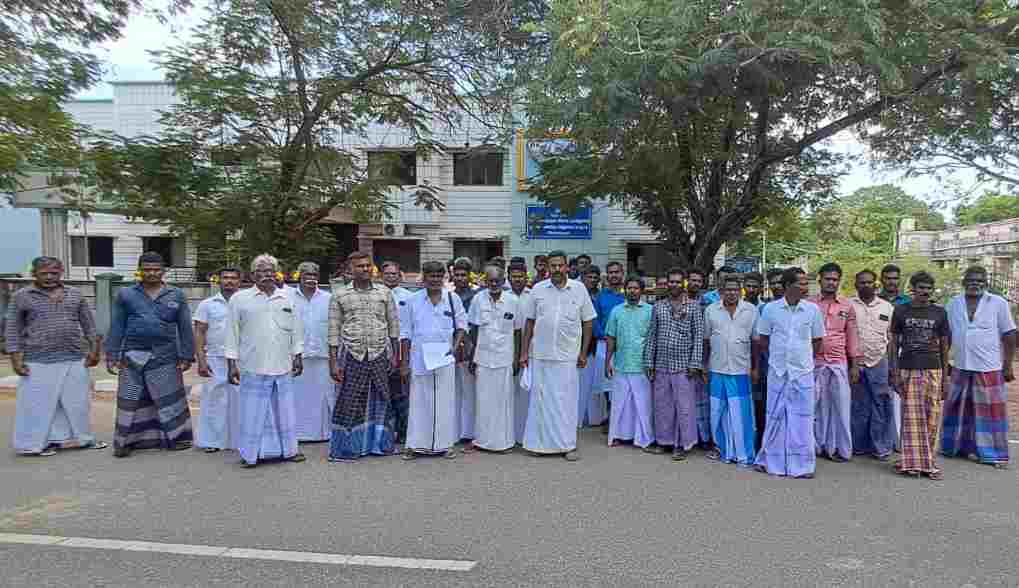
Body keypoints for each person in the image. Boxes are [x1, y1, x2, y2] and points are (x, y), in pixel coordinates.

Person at [6, 256, 104, 457]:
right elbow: (12, 330)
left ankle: (79, 439)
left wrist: (94, 351)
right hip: (37, 359)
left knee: (77, 403)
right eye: (44, 273)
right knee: (37, 405)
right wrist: (15, 359)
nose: (50, 277)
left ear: (61, 273)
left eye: (54, 273)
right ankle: (32, 444)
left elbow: (89, 326)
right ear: (34, 274)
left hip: (74, 357)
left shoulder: (75, 294)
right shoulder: (21, 296)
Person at [105, 252, 195, 458]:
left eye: (156, 270)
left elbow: (184, 327)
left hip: (166, 356)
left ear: (163, 271)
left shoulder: (176, 294)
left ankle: (176, 438)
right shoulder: (125, 294)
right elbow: (117, 326)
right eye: (147, 270)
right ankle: (126, 442)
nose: (152, 273)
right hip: (132, 357)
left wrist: (186, 355)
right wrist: (112, 355)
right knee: (131, 399)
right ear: (139, 271)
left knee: (169, 400)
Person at [225, 253, 306, 468]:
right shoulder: (239, 299)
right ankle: (250, 454)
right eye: (261, 272)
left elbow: (297, 330)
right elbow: (231, 333)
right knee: (252, 412)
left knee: (285, 410)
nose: (267, 275)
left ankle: (289, 451)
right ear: (252, 275)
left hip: (282, 364)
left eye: (270, 271)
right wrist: (231, 364)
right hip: (252, 364)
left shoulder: (288, 298)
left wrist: (298, 356)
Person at [519, 250, 596, 461]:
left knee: (566, 402)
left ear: (567, 267)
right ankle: (539, 445)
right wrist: (524, 351)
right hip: (541, 355)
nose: (556, 269)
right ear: (548, 267)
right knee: (540, 403)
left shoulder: (579, 289)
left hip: (568, 357)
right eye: (553, 266)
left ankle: (567, 445)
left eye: (560, 265)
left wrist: (583, 352)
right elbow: (530, 322)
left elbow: (588, 321)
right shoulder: (538, 289)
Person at [328, 251, 401, 461]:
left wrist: (395, 355)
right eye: (360, 266)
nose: (365, 269)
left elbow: (394, 326)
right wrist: (333, 362)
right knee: (350, 400)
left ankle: (379, 445)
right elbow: (333, 331)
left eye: (368, 266)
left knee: (382, 399)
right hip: (353, 353)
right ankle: (347, 448)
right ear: (350, 270)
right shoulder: (340, 295)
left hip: (379, 352)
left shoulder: (384, 292)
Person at [942, 266, 1016, 469]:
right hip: (961, 366)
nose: (975, 284)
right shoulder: (953, 303)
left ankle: (994, 454)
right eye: (971, 280)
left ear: (986, 283)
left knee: (990, 413)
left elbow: (1009, 335)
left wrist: (1007, 365)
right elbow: (946, 335)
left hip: (989, 367)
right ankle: (956, 447)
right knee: (957, 410)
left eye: (980, 281)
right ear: (964, 282)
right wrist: (945, 361)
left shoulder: (998, 303)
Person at [754, 267, 825, 479]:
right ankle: (771, 461)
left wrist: (801, 360)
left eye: (806, 283)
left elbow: (817, 341)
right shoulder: (770, 309)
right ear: (787, 286)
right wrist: (781, 358)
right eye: (801, 283)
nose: (805, 287)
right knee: (775, 416)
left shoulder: (812, 310)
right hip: (778, 371)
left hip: (802, 372)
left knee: (802, 419)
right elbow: (763, 340)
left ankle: (802, 466)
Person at [400, 261, 467, 460]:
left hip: (445, 358)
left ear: (444, 278)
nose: (435, 280)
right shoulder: (413, 301)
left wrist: (454, 349)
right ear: (424, 277)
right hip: (419, 357)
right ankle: (414, 445)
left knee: (445, 401)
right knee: (419, 401)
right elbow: (405, 333)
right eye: (431, 275)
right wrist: (404, 363)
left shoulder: (452, 299)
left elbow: (462, 327)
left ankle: (444, 445)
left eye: (439, 276)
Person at [890, 272, 950, 479]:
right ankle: (912, 463)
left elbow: (944, 346)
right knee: (911, 418)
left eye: (928, 288)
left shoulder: (940, 313)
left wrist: (946, 378)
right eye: (921, 287)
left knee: (932, 417)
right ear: (912, 289)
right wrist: (894, 371)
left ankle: (928, 462)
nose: (925, 292)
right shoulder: (900, 311)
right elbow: (894, 344)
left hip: (934, 369)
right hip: (908, 368)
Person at [643, 268, 705, 461]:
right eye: (671, 282)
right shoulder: (658, 306)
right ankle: (664, 442)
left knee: (684, 407)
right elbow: (652, 335)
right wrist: (648, 362)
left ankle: (682, 444)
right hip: (661, 364)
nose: (674, 285)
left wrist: (695, 363)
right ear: (667, 283)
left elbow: (699, 337)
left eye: (678, 282)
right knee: (663, 406)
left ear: (684, 283)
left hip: (684, 366)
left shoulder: (694, 306)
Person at [467, 265, 524, 452]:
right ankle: (483, 441)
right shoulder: (478, 299)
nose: (493, 284)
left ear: (503, 280)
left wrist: (517, 359)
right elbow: (473, 330)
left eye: (497, 280)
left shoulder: (513, 301)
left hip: (505, 358)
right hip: (483, 358)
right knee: (483, 401)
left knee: (504, 401)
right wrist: (472, 357)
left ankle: (504, 442)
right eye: (490, 280)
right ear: (485, 280)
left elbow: (517, 332)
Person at [703, 276, 759, 465]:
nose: (732, 293)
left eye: (735, 289)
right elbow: (706, 341)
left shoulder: (750, 311)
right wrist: (704, 366)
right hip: (717, 369)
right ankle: (722, 449)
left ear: (740, 290)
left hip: (741, 370)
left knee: (741, 413)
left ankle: (743, 453)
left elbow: (756, 342)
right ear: (721, 290)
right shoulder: (711, 310)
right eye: (728, 289)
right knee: (717, 411)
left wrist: (755, 368)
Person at [811, 262, 861, 463]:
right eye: (827, 279)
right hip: (814, 363)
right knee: (815, 407)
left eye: (835, 279)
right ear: (820, 280)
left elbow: (853, 336)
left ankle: (839, 448)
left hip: (838, 362)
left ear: (839, 282)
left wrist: (855, 365)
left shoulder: (847, 305)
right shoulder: (809, 304)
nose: (831, 282)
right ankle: (816, 446)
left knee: (840, 407)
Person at [849, 269, 896, 462]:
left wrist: (892, 365)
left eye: (869, 282)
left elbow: (891, 338)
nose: (866, 285)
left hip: (879, 360)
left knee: (881, 403)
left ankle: (881, 446)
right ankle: (858, 445)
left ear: (875, 284)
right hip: (855, 362)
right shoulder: (849, 305)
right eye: (862, 283)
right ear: (856, 285)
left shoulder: (887, 307)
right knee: (858, 405)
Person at [194, 267, 242, 453]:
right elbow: (199, 332)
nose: (229, 281)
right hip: (215, 358)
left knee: (239, 399)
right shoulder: (207, 304)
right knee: (214, 400)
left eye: (233, 278)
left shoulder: (245, 302)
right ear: (218, 281)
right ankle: (212, 441)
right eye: (225, 278)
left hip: (241, 360)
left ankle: (238, 440)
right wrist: (201, 359)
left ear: (240, 281)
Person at [605, 276, 654, 448]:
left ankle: (642, 438)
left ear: (642, 291)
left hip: (642, 366)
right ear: (624, 290)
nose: (632, 291)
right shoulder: (616, 311)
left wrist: (652, 364)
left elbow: (653, 339)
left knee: (642, 404)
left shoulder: (650, 310)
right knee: (620, 403)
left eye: (635, 288)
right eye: (629, 288)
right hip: (621, 364)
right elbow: (611, 337)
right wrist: (607, 362)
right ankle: (618, 435)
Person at [289, 262, 333, 443]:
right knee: (296, 397)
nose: (311, 278)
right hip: (296, 357)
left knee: (323, 396)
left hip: (323, 356)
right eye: (307, 275)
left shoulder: (328, 298)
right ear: (299, 276)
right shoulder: (287, 297)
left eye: (314, 275)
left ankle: (323, 434)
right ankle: (296, 434)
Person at [592, 262, 626, 431]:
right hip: (604, 345)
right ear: (607, 275)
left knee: (622, 380)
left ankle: (622, 416)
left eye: (617, 272)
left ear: (622, 274)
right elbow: (594, 320)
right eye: (611, 272)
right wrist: (603, 335)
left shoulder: (629, 294)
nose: (614, 275)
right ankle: (610, 414)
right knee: (606, 381)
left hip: (625, 347)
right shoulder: (601, 297)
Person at [382, 260, 413, 444]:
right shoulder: (376, 294)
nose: (391, 277)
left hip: (401, 349)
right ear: (381, 276)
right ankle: (385, 432)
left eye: (394, 274)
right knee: (383, 393)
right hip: (381, 348)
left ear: (400, 276)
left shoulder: (409, 297)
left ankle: (403, 432)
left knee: (402, 393)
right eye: (387, 274)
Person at [451, 257, 478, 444]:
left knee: (469, 391)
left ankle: (468, 432)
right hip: (451, 347)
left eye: (464, 274)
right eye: (457, 274)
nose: (460, 278)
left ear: (469, 276)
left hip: (470, 347)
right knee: (453, 391)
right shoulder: (447, 296)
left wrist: (471, 346)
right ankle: (453, 431)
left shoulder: (476, 296)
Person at [578, 265, 608, 428]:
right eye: (589, 277)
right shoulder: (576, 294)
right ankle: (578, 418)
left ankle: (595, 418)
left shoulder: (601, 296)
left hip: (598, 344)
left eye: (595, 277)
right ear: (582, 278)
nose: (593, 280)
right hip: (580, 344)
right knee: (581, 383)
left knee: (596, 383)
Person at [686, 268, 712, 445]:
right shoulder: (680, 302)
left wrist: (704, 361)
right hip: (682, 355)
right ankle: (688, 435)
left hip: (702, 355)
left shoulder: (708, 304)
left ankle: (703, 437)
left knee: (702, 399)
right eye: (692, 280)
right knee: (685, 399)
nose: (695, 283)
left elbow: (707, 336)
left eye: (698, 281)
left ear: (703, 283)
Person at [508, 259, 532, 443]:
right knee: (507, 395)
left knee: (525, 394)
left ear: (526, 277)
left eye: (520, 276)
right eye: (514, 276)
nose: (517, 279)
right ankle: (508, 433)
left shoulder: (532, 296)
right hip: (504, 352)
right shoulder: (502, 296)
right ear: (508, 277)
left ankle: (524, 434)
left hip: (527, 352)